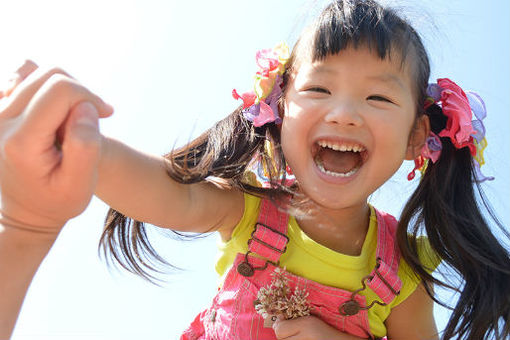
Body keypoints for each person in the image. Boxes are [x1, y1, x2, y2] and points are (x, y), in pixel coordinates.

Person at [1, 0, 509, 339]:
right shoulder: (250, 210)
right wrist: (87, 148)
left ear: (416, 138)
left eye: (377, 96)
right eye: (318, 89)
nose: (345, 112)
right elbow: (168, 191)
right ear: (279, 109)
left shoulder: (403, 271)